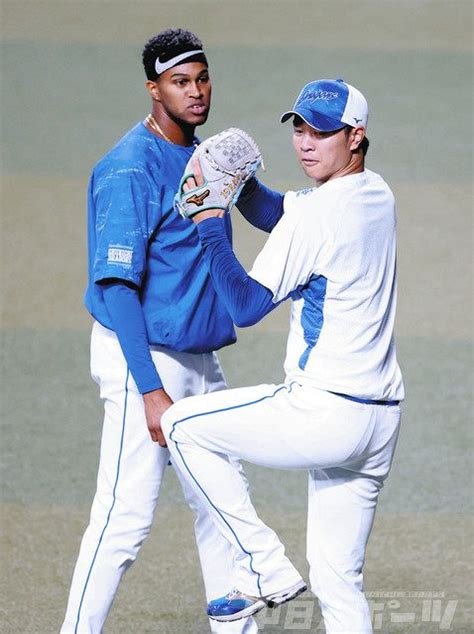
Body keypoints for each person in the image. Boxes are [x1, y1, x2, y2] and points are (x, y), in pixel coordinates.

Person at [161, 79, 405, 633]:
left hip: (325, 414)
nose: (305, 142)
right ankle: (277, 574)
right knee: (339, 581)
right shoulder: (376, 193)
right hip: (380, 421)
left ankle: (263, 566)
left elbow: (245, 307)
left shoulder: (320, 217)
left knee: (181, 425)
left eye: (321, 131)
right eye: (299, 127)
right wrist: (243, 186)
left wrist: (211, 224)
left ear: (356, 135)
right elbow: (283, 215)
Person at [61, 28, 257, 634]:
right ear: (154, 89)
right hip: (142, 357)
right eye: (180, 82)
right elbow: (116, 288)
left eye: (202, 79)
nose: (196, 93)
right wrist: (149, 389)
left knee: (223, 506)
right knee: (124, 517)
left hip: (200, 360)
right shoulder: (130, 168)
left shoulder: (204, 158)